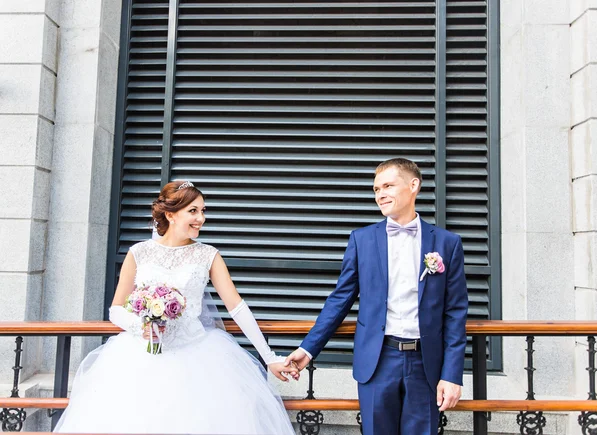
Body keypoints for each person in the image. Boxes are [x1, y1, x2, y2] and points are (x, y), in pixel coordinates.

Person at [54, 180, 297, 434]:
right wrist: (142, 327)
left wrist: (269, 358)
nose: (200, 218)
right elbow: (116, 309)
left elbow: (237, 307)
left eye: (203, 211)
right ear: (170, 214)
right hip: (139, 358)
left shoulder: (208, 255)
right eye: (193, 211)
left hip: (197, 356)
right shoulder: (139, 253)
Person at [285, 158, 469, 435]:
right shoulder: (362, 239)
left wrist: (452, 374)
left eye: (388, 186)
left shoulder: (447, 243)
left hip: (426, 364)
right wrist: (308, 348)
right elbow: (340, 299)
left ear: (413, 185)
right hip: (378, 360)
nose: (380, 194)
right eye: (375, 189)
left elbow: (455, 312)